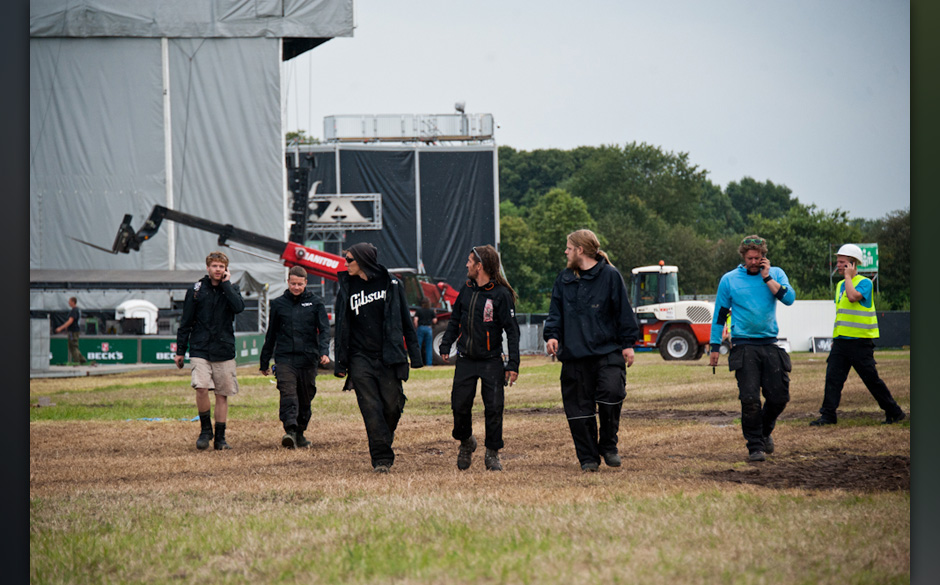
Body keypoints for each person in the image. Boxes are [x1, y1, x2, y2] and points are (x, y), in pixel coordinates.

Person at [543, 229, 639, 472]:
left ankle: (608, 445)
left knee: (612, 393)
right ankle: (588, 458)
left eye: (568, 247)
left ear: (580, 250)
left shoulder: (610, 276)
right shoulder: (564, 279)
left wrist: (627, 344)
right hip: (574, 355)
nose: (565, 251)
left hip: (607, 351)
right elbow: (555, 313)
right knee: (578, 410)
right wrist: (552, 336)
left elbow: (623, 312)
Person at [332, 242, 424, 473]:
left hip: (389, 356)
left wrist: (416, 355)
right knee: (371, 407)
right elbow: (342, 326)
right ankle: (381, 459)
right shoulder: (345, 286)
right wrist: (341, 362)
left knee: (392, 406)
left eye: (349, 260)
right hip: (359, 357)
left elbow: (405, 320)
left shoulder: (392, 284)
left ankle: (383, 436)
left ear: (363, 260)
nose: (345, 263)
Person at [708, 235, 795, 462]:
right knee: (749, 400)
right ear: (743, 257)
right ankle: (755, 446)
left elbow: (789, 299)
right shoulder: (729, 280)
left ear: (764, 257)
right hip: (744, 345)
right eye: (750, 258)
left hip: (769, 343)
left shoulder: (776, 274)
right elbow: (719, 315)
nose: (754, 262)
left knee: (779, 397)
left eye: (758, 258)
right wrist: (715, 346)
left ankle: (764, 432)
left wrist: (767, 278)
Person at [439, 245, 521, 472]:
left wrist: (513, 364)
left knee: (494, 408)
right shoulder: (466, 289)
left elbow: (512, 331)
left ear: (480, 266)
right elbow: (454, 320)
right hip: (465, 360)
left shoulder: (501, 295)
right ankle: (466, 442)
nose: (466, 264)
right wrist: (446, 344)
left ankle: (492, 453)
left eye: (469, 261)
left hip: (491, 361)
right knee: (459, 406)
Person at [809, 244, 905, 426]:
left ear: (853, 264)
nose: (837, 265)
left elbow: (853, 297)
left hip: (860, 343)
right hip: (841, 341)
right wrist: (835, 339)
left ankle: (894, 411)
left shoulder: (865, 282)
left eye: (842, 262)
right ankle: (828, 415)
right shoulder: (839, 286)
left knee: (871, 380)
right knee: (833, 378)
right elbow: (842, 313)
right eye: (838, 262)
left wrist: (848, 278)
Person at [175, 251, 245, 451]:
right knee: (201, 387)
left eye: (221, 267)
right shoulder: (196, 290)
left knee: (222, 394)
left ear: (226, 269)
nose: (217, 270)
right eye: (214, 266)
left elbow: (239, 308)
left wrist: (226, 285)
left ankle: (220, 438)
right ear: (208, 267)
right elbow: (186, 321)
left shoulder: (232, 289)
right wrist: (180, 350)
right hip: (200, 347)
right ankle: (206, 430)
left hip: (224, 349)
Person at [260, 266, 332, 449]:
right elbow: (271, 334)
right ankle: (290, 430)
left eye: (300, 284)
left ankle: (300, 432)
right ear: (288, 282)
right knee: (288, 393)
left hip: (308, 358)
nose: (296, 287)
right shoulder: (278, 304)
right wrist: (264, 361)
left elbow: (324, 330)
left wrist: (324, 351)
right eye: (293, 284)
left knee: (305, 396)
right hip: (285, 358)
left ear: (306, 283)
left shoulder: (316, 303)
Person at [55, 297, 88, 365]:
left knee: (73, 346)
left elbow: (71, 321)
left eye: (69, 301)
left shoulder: (74, 310)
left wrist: (61, 328)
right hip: (75, 330)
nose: (68, 303)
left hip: (73, 331)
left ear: (73, 302)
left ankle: (76, 361)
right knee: (73, 345)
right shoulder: (77, 310)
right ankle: (82, 359)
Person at [413, 298, 438, 367]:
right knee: (429, 347)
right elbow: (435, 321)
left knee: (419, 346)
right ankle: (429, 364)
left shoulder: (419, 311)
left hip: (421, 328)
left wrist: (416, 327)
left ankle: (418, 362)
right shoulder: (431, 311)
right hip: (428, 328)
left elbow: (415, 320)